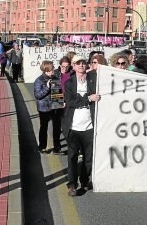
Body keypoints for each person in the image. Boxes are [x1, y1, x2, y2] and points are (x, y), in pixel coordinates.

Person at [63, 55, 101, 196]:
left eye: (83, 63)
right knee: (72, 157)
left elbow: (114, 79)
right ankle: (72, 185)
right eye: (77, 63)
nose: (80, 65)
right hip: (73, 126)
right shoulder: (69, 83)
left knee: (88, 157)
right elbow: (70, 101)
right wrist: (88, 98)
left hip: (89, 126)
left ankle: (84, 181)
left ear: (87, 65)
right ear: (73, 66)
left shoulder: (94, 79)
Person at [34, 61, 64, 155]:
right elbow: (38, 95)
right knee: (44, 127)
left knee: (57, 127)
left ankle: (57, 148)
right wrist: (47, 87)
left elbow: (57, 92)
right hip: (44, 108)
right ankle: (42, 147)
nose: (54, 70)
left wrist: (60, 102)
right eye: (52, 69)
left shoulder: (55, 78)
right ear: (47, 69)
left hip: (55, 107)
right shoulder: (39, 80)